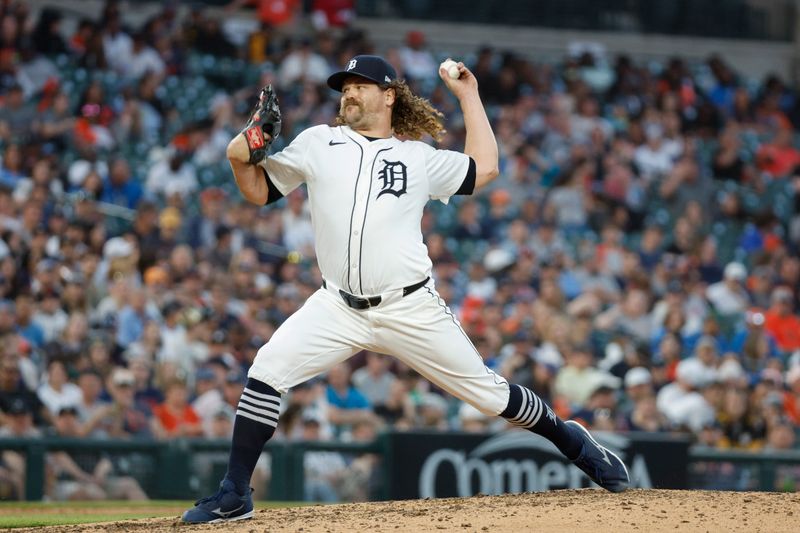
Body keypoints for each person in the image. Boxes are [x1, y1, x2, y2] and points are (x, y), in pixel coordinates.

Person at [182, 54, 629, 524]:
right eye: (345, 86)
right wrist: (240, 157)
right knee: (267, 368)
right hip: (337, 305)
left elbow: (486, 168)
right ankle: (234, 493)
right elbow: (258, 191)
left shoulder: (416, 157)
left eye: (360, 85)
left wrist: (468, 96)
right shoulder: (318, 142)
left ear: (389, 95)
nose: (349, 92)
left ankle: (572, 439)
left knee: (489, 396)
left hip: (410, 306)